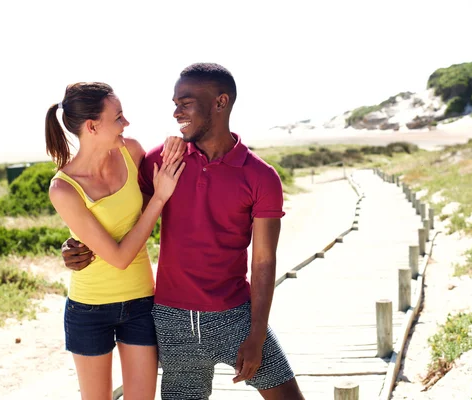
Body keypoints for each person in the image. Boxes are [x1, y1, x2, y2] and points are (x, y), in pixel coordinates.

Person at [63, 64, 305, 400]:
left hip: (234, 314)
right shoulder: (161, 160)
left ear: (220, 103)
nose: (176, 112)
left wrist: (257, 334)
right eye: (175, 102)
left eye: (185, 102)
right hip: (170, 320)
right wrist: (77, 245)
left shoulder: (261, 176)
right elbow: (124, 217)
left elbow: (264, 260)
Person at [46, 82, 185, 400]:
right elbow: (120, 256)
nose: (127, 123)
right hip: (89, 309)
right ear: (92, 126)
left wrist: (179, 144)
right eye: (119, 117)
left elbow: (149, 208)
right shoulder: (64, 189)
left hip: (140, 303)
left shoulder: (131, 152)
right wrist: (160, 197)